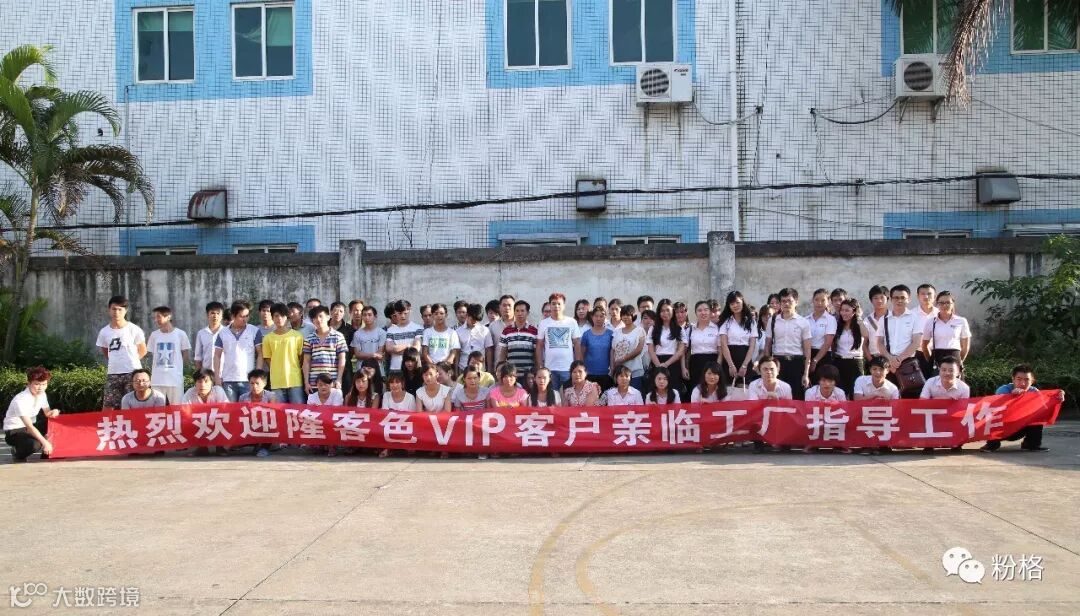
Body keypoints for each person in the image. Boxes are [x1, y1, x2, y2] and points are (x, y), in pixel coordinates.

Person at [982, 364, 1060, 453]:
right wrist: (1011, 397)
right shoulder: (1003, 390)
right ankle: (991, 444)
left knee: (1037, 417)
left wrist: (1057, 397)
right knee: (992, 417)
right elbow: (996, 411)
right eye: (1019, 379)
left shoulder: (1034, 392)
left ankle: (1031, 444)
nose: (1022, 383)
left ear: (1032, 381)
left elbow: (1044, 409)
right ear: (1013, 379)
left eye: (1027, 380)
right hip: (1001, 428)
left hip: (1020, 428)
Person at [96, 295, 147, 410]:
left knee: (134, 405)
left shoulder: (134, 329)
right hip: (113, 373)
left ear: (125, 310)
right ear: (109, 310)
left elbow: (143, 350)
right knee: (108, 406)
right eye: (114, 309)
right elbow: (105, 351)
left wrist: (130, 360)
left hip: (132, 372)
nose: (116, 312)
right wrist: (117, 361)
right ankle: (108, 423)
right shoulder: (104, 332)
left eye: (120, 309)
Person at [5, 366, 61, 462]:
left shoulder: (42, 394)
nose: (41, 388)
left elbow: (47, 413)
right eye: (37, 384)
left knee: (56, 425)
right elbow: (29, 427)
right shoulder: (20, 400)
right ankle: (17, 453)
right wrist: (45, 442)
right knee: (35, 445)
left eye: (44, 384)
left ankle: (47, 454)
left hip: (30, 427)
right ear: (29, 383)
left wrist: (55, 411)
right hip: (15, 431)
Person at [764, 288, 811, 400]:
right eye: (783, 301)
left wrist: (806, 373)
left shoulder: (803, 322)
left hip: (796, 363)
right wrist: (767, 364)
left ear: (796, 302)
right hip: (778, 362)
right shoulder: (773, 320)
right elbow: (768, 345)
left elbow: (807, 349)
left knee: (796, 396)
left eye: (789, 301)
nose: (786, 304)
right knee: (778, 396)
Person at [877, 285, 923, 398]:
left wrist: (899, 359)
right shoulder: (884, 319)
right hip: (888, 364)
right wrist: (890, 359)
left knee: (910, 399)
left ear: (909, 299)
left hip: (908, 365)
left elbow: (916, 342)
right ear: (891, 299)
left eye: (903, 297)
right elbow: (879, 342)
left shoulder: (915, 318)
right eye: (896, 298)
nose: (899, 300)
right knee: (888, 398)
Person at [213, 300, 264, 402]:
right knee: (230, 410)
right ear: (233, 316)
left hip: (248, 381)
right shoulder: (222, 333)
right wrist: (217, 377)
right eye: (241, 316)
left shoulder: (254, 331)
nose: (245, 319)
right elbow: (217, 356)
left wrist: (257, 375)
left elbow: (260, 353)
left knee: (247, 410)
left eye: (247, 316)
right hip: (228, 380)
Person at [919, 357, 970, 453]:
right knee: (921, 416)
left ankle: (956, 443)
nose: (947, 373)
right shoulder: (930, 382)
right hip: (933, 414)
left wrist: (950, 406)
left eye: (951, 370)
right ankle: (929, 444)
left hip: (953, 416)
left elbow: (963, 409)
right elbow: (922, 402)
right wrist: (942, 401)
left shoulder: (964, 388)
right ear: (939, 370)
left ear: (958, 372)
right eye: (943, 370)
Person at [260, 303, 306, 404]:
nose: (279, 318)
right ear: (272, 318)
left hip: (295, 380)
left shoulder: (297, 336)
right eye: (276, 316)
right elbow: (267, 358)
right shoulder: (267, 338)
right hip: (276, 382)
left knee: (297, 410)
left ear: (287, 317)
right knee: (278, 411)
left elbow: (301, 357)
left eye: (282, 316)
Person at [536, 293, 582, 391]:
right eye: (553, 303)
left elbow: (577, 343)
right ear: (550, 305)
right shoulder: (543, 323)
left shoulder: (571, 322)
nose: (556, 306)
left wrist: (577, 364)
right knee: (552, 396)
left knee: (569, 395)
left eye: (559, 304)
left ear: (564, 305)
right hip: (550, 369)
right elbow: (539, 345)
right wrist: (540, 366)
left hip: (568, 368)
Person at [146, 305, 191, 405]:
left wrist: (177, 370)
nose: (156, 320)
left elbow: (186, 355)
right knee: (157, 409)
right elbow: (152, 355)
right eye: (155, 317)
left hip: (175, 380)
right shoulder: (154, 335)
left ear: (168, 317)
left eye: (158, 317)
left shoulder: (180, 334)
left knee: (177, 408)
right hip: (157, 380)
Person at [747, 356, 793, 453]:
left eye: (772, 369)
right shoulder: (753, 385)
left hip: (780, 416)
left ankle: (783, 442)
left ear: (778, 371)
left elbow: (790, 409)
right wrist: (766, 400)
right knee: (751, 417)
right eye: (765, 369)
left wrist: (777, 401)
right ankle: (758, 445)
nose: (769, 372)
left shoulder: (786, 387)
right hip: (760, 416)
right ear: (759, 371)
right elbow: (752, 406)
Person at [920, 291, 971, 375]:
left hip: (955, 357)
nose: (944, 305)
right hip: (937, 357)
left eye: (948, 302)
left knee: (955, 382)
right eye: (941, 303)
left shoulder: (961, 321)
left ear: (953, 304)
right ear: (937, 304)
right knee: (935, 382)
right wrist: (931, 360)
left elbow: (965, 347)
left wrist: (959, 360)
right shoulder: (930, 322)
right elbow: (924, 345)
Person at [182, 369, 230, 456]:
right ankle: (202, 448)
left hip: (216, 420)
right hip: (197, 421)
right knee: (185, 422)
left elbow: (226, 409)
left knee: (225, 419)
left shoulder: (218, 390)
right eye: (199, 382)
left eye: (206, 381)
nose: (202, 385)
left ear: (212, 383)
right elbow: (184, 410)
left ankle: (220, 447)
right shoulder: (190, 393)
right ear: (195, 383)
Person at [302, 305, 348, 395]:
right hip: (314, 384)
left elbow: (342, 359)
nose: (318, 320)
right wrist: (306, 382)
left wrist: (339, 379)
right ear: (312, 321)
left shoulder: (338, 336)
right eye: (315, 318)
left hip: (332, 382)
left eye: (321, 316)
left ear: (328, 317)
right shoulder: (309, 339)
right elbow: (306, 362)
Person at [647, 299, 687, 397]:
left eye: (667, 310)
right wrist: (659, 366)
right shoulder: (653, 328)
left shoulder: (679, 329)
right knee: (656, 393)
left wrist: (666, 364)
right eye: (662, 311)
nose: (665, 313)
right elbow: (651, 350)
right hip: (657, 362)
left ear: (672, 311)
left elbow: (680, 351)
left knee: (673, 393)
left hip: (673, 363)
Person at [239, 369, 283, 458]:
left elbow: (273, 414)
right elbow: (239, 415)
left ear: (264, 384)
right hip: (250, 425)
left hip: (266, 425)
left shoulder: (271, 396)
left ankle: (264, 448)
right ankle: (255, 445)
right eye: (252, 383)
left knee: (270, 423)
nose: (254, 386)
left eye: (257, 383)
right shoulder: (243, 398)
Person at [718, 291, 758, 385]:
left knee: (744, 388)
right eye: (732, 304)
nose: (735, 305)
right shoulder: (726, 322)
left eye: (737, 302)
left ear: (743, 302)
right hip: (729, 358)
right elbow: (724, 345)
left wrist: (744, 365)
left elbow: (752, 346)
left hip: (745, 357)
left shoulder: (751, 322)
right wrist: (731, 365)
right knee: (728, 389)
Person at [832, 299, 869, 399]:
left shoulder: (860, 324)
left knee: (856, 392)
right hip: (840, 361)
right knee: (840, 393)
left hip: (855, 362)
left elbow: (866, 335)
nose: (844, 313)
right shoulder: (838, 325)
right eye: (842, 310)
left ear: (854, 311)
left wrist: (859, 318)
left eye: (847, 310)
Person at [498, 299, 538, 380]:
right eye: (517, 311)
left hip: (528, 375)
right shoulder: (506, 330)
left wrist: (536, 371)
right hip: (511, 375)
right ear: (514, 312)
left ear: (527, 313)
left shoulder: (534, 331)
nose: (519, 313)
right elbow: (503, 353)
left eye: (522, 311)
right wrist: (501, 369)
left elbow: (536, 354)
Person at [685, 300, 722, 388]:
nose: (703, 313)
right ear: (695, 313)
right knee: (696, 390)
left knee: (712, 390)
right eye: (699, 310)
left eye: (706, 310)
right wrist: (685, 367)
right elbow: (687, 351)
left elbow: (721, 352)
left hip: (712, 362)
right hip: (695, 364)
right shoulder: (690, 329)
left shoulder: (717, 329)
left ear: (710, 312)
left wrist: (717, 367)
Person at [612, 305, 647, 391]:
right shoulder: (617, 331)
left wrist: (623, 359)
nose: (625, 317)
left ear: (633, 315)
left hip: (634, 371)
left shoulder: (640, 330)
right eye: (623, 315)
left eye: (628, 315)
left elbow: (639, 349)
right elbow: (612, 349)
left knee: (634, 394)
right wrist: (612, 366)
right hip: (619, 372)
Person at [580, 306, 614, 391]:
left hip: (605, 374)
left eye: (601, 316)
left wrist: (612, 370)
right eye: (596, 316)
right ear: (592, 317)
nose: (598, 318)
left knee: (605, 397)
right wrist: (582, 372)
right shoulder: (586, 334)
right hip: (589, 374)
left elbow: (612, 354)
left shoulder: (610, 334)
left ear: (605, 317)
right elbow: (581, 355)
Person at [807, 289, 837, 383]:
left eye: (823, 300)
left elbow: (828, 342)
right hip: (808, 353)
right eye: (816, 300)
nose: (819, 303)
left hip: (823, 356)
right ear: (812, 300)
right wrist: (808, 359)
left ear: (828, 302)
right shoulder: (806, 319)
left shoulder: (830, 319)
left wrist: (815, 360)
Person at [385, 300, 424, 372]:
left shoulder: (418, 328)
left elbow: (416, 349)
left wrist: (396, 350)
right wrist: (409, 345)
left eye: (405, 313)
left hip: (413, 368)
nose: (403, 316)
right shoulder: (390, 330)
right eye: (399, 313)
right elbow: (389, 348)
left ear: (410, 311)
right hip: (395, 368)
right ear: (395, 312)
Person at [457, 303, 494, 373]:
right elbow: (457, 352)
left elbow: (489, 350)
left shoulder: (485, 330)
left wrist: (489, 370)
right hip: (463, 368)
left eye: (477, 320)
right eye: (472, 319)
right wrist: (456, 371)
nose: (474, 322)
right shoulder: (458, 331)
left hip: (480, 369)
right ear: (467, 315)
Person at [351, 305, 387, 377]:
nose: (367, 317)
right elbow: (357, 354)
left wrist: (365, 355)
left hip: (377, 369)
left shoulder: (382, 333)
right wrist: (373, 355)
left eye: (369, 315)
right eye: (364, 315)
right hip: (361, 370)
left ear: (375, 317)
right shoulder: (357, 334)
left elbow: (380, 354)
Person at [913, 283, 938, 378]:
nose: (926, 296)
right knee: (920, 383)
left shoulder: (940, 313)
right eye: (922, 294)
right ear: (918, 296)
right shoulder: (911, 314)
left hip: (937, 353)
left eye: (929, 294)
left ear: (934, 296)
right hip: (918, 354)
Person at [193, 301, 225, 373]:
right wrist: (199, 374)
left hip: (224, 373)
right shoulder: (201, 333)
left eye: (218, 313)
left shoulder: (227, 332)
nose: (215, 316)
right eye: (212, 313)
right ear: (207, 315)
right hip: (206, 374)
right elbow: (198, 357)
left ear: (222, 316)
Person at [863, 285, 890, 359]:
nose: (879, 300)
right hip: (874, 358)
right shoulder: (867, 320)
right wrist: (871, 360)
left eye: (882, 297)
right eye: (875, 298)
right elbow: (864, 344)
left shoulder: (894, 318)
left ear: (887, 299)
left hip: (892, 357)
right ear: (871, 300)